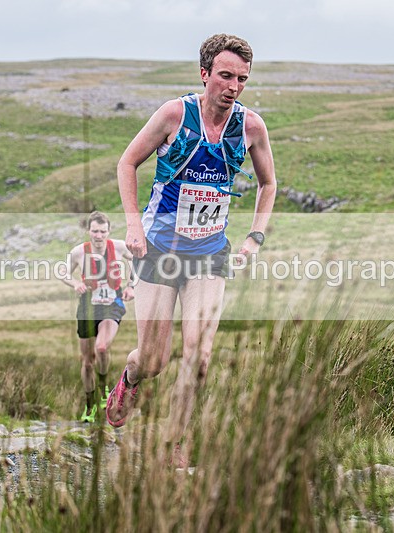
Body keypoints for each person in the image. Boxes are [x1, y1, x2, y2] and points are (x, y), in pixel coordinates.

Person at [106, 34, 276, 466]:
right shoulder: (174, 115)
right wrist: (132, 224)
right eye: (225, 76)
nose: (233, 87)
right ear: (204, 74)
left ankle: (174, 442)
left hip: (210, 254)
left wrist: (255, 236)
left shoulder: (250, 127)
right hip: (160, 248)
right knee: (154, 360)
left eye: (242, 79)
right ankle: (130, 378)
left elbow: (268, 183)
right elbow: (127, 163)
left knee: (200, 356)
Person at [62, 211, 135, 423]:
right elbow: (63, 272)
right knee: (87, 362)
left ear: (109, 231)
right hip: (87, 307)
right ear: (89, 231)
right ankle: (90, 405)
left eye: (103, 231)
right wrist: (76, 283)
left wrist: (131, 285)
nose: (99, 236)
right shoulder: (79, 252)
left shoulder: (119, 247)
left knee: (101, 348)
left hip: (112, 305)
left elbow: (138, 261)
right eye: (95, 231)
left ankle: (104, 389)